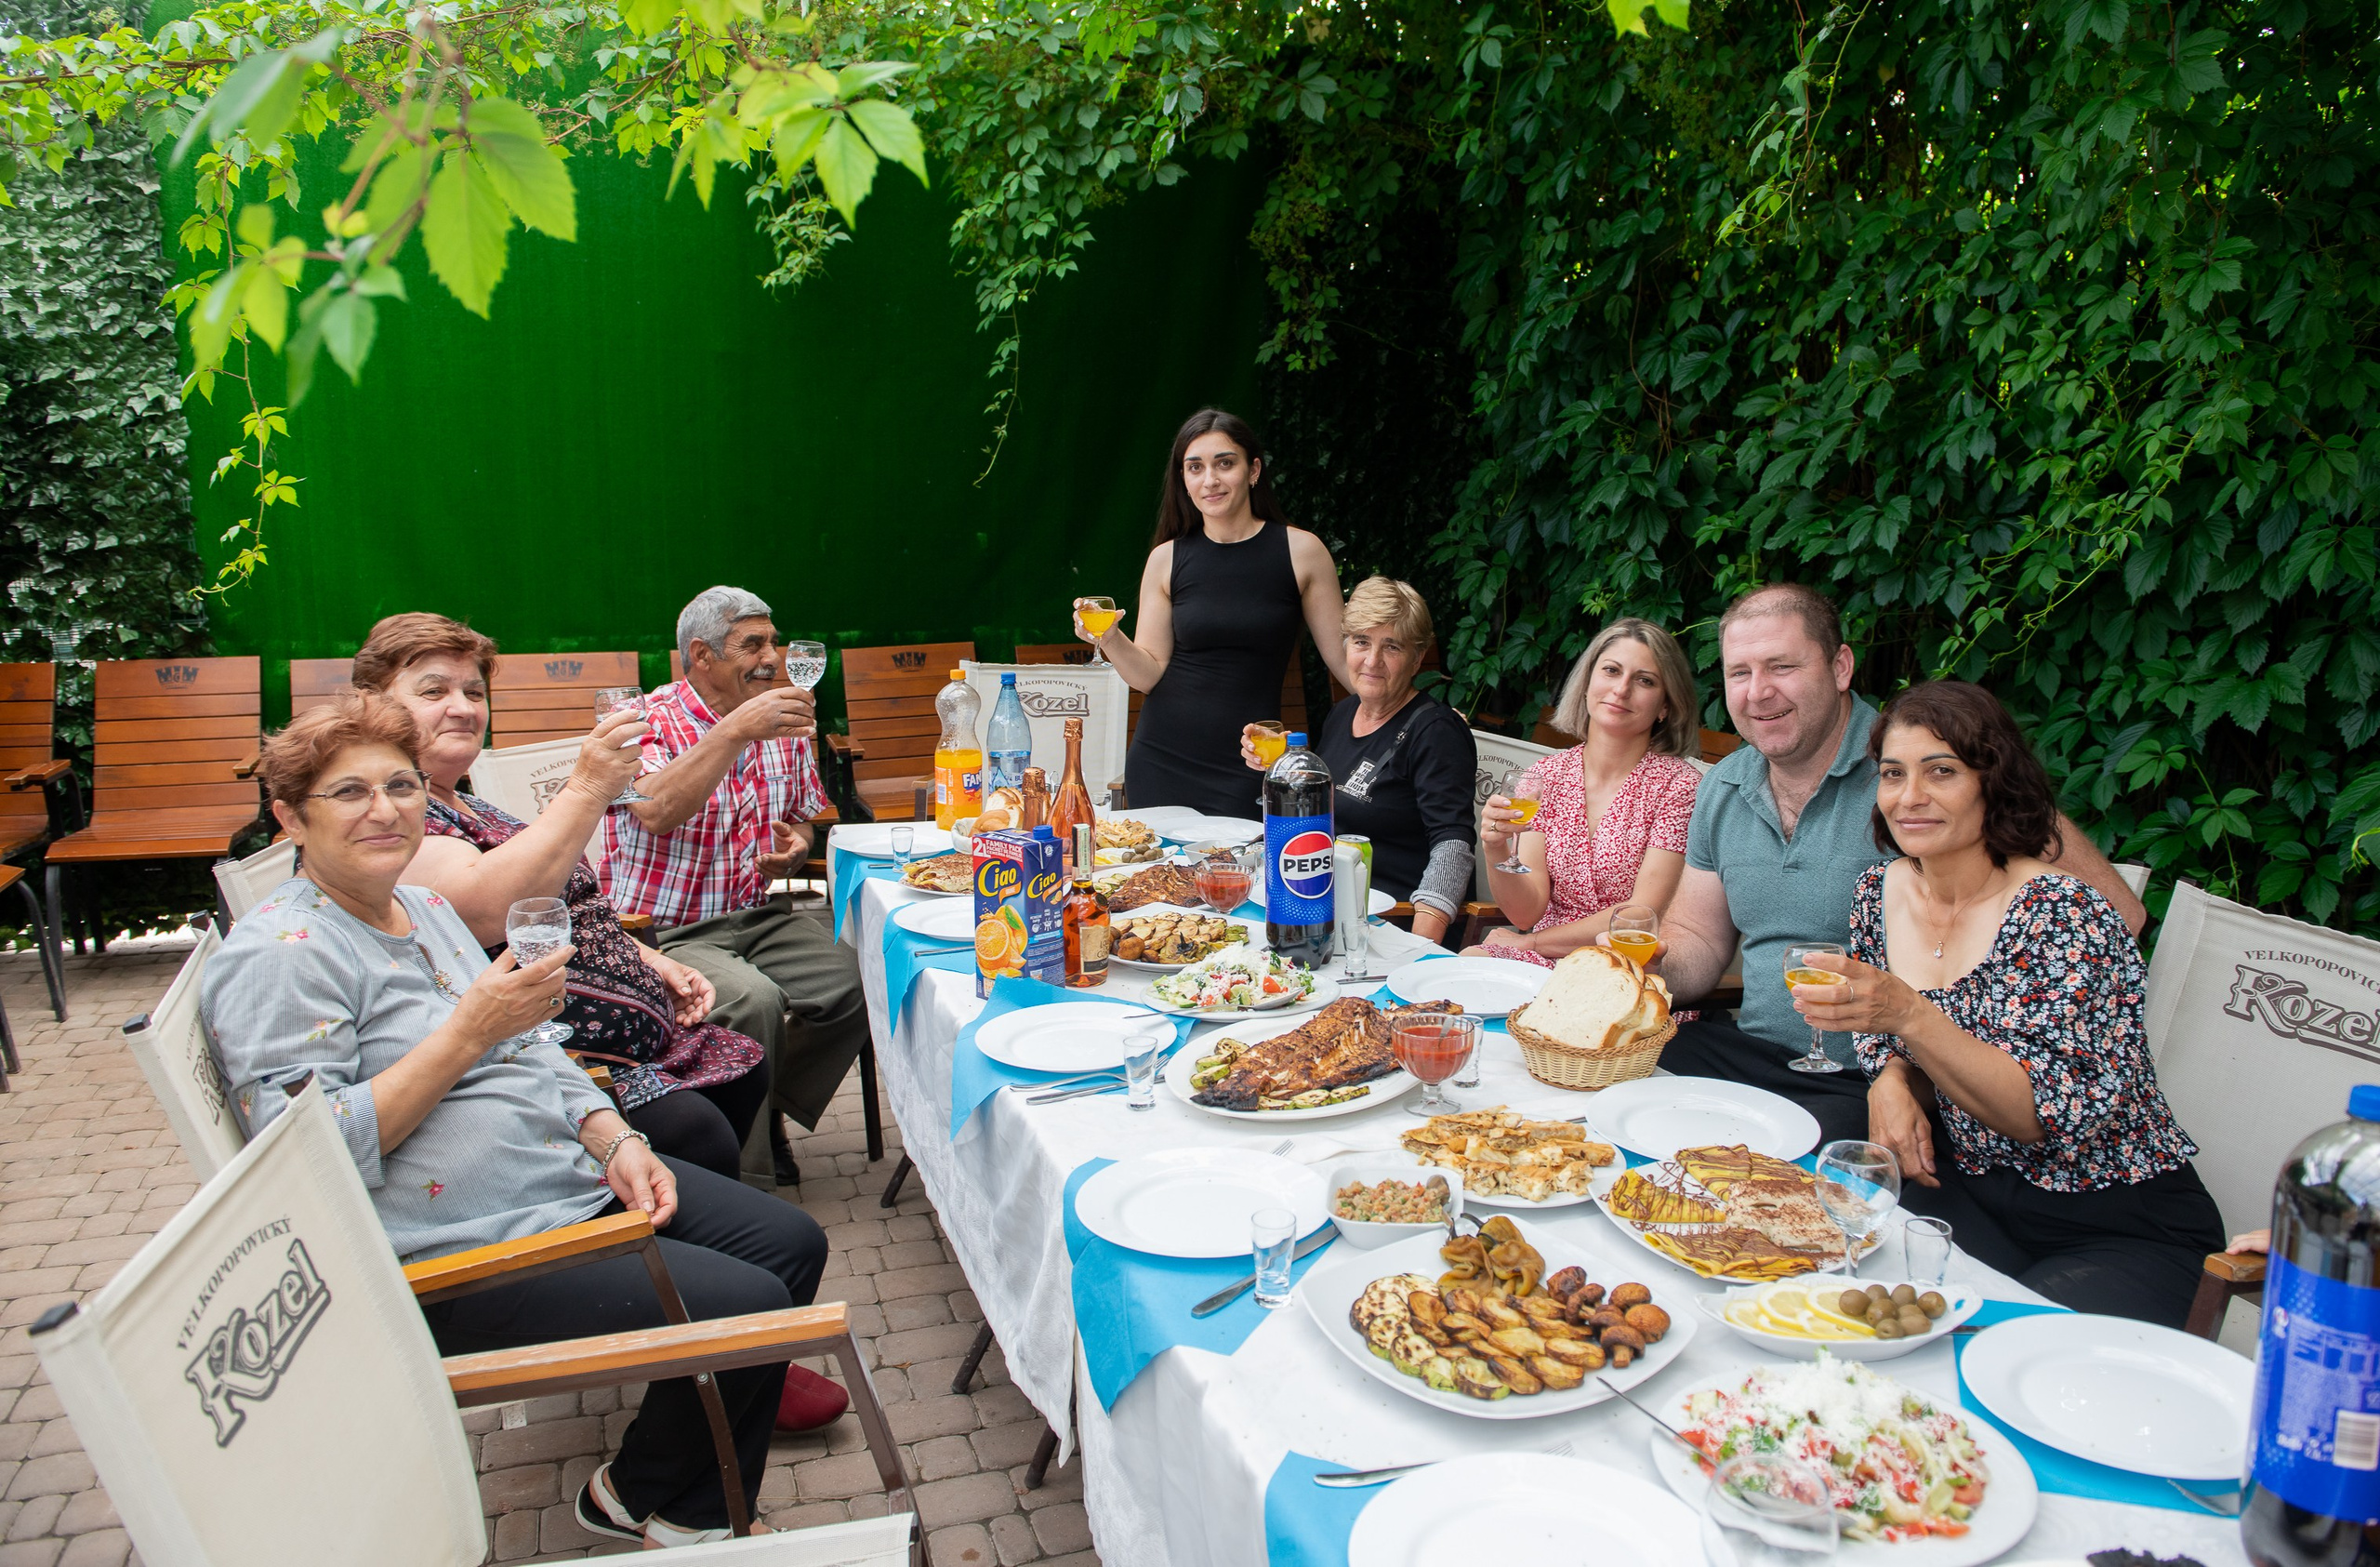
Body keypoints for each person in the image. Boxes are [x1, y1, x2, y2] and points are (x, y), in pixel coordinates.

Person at [201, 694, 845, 1548]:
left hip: (563, 1181)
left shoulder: (422, 911)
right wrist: (469, 1029)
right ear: (288, 818)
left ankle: (643, 1489)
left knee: (792, 1243)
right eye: (349, 793)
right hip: (469, 1251)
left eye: (399, 784)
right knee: (754, 1301)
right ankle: (696, 1516)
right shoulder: (280, 956)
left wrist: (611, 1135)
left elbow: (535, 1046)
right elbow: (313, 1154)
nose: (387, 808)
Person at [1646, 584, 2147, 1145]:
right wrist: (1635, 967)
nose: (1758, 692)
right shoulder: (1723, 785)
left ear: (1840, 667)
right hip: (1753, 1054)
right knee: (1627, 1095)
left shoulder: (1922, 766)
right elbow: (1698, 939)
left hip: (1881, 1084)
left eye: (1782, 666)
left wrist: (1919, 1064)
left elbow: (2114, 915)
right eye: (1739, 673)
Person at [1791, 680, 2221, 1325]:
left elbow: (2033, 1114)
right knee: (1822, 1272)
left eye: (1942, 772)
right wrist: (1891, 1076)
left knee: (2007, 1347)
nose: (1910, 797)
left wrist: (1907, 1014)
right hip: (1969, 1188)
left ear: (1993, 782)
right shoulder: (1878, 890)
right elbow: (1882, 1034)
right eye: (1893, 774)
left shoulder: (2064, 914)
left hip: (2111, 1217)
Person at [350, 612, 771, 1185]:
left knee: (744, 1065)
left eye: (474, 691)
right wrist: (591, 786)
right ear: (373, 704)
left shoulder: (472, 805)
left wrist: (648, 959)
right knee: (699, 1130)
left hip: (629, 1038)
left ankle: (710, 1236)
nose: (463, 707)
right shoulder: (393, 818)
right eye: (433, 691)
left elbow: (559, 912)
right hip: (555, 1066)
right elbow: (478, 912)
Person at [602, 586, 867, 1188]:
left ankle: (763, 1102)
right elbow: (656, 808)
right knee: (752, 1000)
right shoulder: (645, 719)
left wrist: (796, 844)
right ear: (701, 654)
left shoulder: (782, 713)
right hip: (663, 930)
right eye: (753, 643)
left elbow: (804, 812)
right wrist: (735, 731)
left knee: (865, 973)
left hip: (757, 911)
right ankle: (745, 1181)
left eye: (773, 640)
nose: (772, 656)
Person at [1083, 407, 1356, 817]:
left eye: (1224, 463)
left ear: (1253, 470)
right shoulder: (1166, 558)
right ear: (1184, 481)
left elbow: (1346, 663)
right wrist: (1109, 637)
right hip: (1160, 761)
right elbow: (1148, 673)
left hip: (1250, 763)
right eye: (1195, 468)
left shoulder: (1301, 552)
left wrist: (1416, 713)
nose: (1209, 479)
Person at [1233, 578, 1474, 942]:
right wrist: (1285, 769)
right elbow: (1329, 805)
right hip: (1325, 903)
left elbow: (1453, 843)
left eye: (1391, 647)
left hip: (1391, 922)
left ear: (1417, 658)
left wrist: (1421, 950)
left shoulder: (1436, 731)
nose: (1372, 660)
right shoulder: (1345, 712)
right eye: (1362, 642)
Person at [1465, 618, 1701, 967]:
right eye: (1611, 670)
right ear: (1588, 682)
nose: (1621, 689)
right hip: (1541, 954)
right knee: (1467, 964)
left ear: (1665, 706)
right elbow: (1525, 911)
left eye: (1645, 680)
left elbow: (1640, 914)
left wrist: (1531, 943)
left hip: (1622, 962)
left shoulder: (1679, 787)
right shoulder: (1546, 775)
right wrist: (1495, 847)